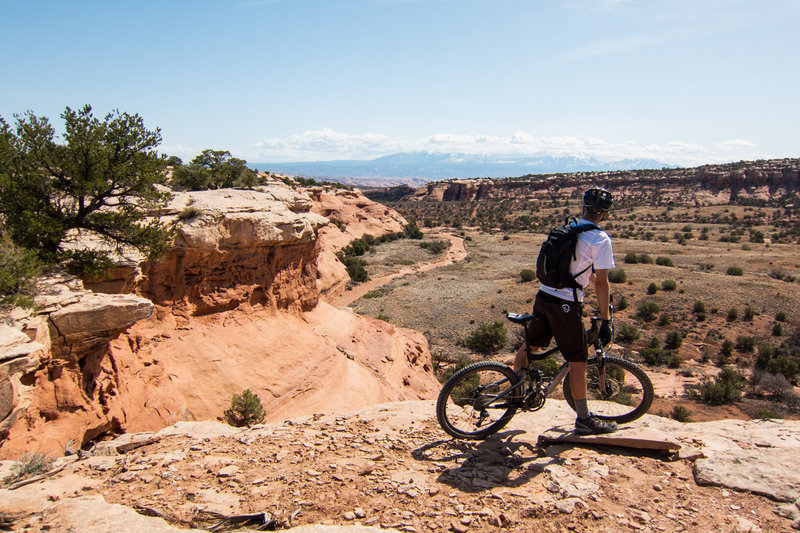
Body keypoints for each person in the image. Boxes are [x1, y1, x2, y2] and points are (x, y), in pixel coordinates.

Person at [513, 186, 617, 435]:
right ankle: (583, 420)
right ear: (604, 214)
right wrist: (605, 318)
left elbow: (574, 269)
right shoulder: (600, 240)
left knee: (530, 346)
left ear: (582, 208)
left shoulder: (567, 229)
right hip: (566, 304)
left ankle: (514, 395)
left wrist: (583, 278)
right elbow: (601, 283)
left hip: (544, 295)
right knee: (578, 361)